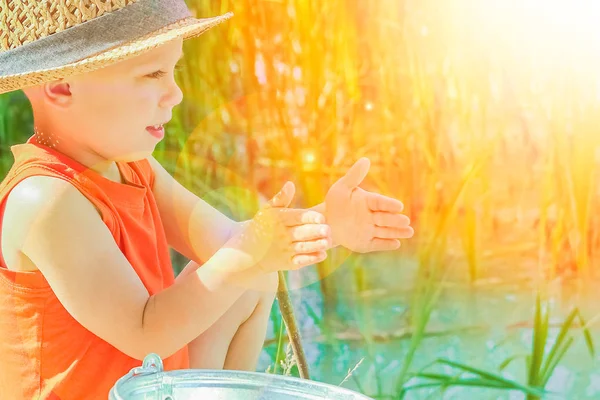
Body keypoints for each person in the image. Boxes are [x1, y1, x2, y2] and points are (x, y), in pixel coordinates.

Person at [0, 0, 414, 399]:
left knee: (251, 274)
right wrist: (247, 253)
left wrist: (328, 224)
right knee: (242, 264)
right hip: (115, 382)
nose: (175, 94)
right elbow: (145, 334)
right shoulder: (46, 199)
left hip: (146, 384)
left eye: (173, 71)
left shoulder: (129, 167)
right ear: (61, 85)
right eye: (151, 75)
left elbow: (230, 241)